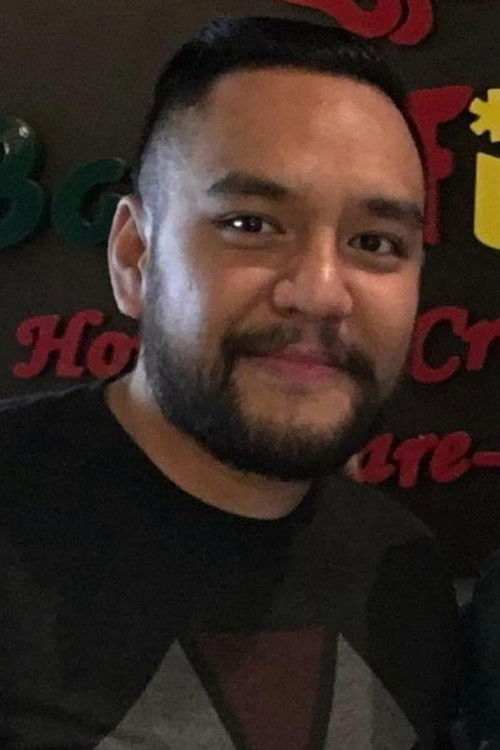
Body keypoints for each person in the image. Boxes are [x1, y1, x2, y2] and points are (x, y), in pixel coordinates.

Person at [0, 16, 460, 749]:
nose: (320, 293)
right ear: (134, 257)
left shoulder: (403, 578)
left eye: (375, 243)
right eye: (251, 224)